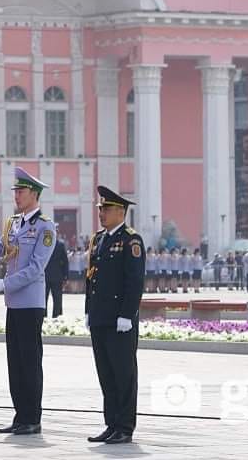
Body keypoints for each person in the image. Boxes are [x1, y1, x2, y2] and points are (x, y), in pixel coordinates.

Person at [0, 167, 56, 435]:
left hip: (30, 303)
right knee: (14, 362)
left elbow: (36, 268)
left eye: (21, 191)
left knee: (29, 362)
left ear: (34, 194)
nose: (17, 196)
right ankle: (20, 416)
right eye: (15, 191)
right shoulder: (14, 223)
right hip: (14, 303)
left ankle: (32, 418)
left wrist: (4, 284)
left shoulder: (45, 227)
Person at [84, 185, 144, 446]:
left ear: (121, 211)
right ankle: (111, 423)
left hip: (120, 320)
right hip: (100, 317)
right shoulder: (98, 239)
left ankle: (125, 426)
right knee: (106, 373)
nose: (101, 213)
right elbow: (91, 278)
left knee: (123, 374)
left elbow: (135, 281)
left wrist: (127, 314)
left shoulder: (131, 240)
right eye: (100, 209)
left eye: (106, 209)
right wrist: (89, 309)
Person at [45, 236, 68, 318]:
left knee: (44, 298)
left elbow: (65, 261)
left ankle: (43, 317)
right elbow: (65, 261)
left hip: (46, 275)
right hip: (57, 275)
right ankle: (57, 317)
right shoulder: (60, 244)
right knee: (57, 298)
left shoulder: (44, 243)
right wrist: (65, 276)